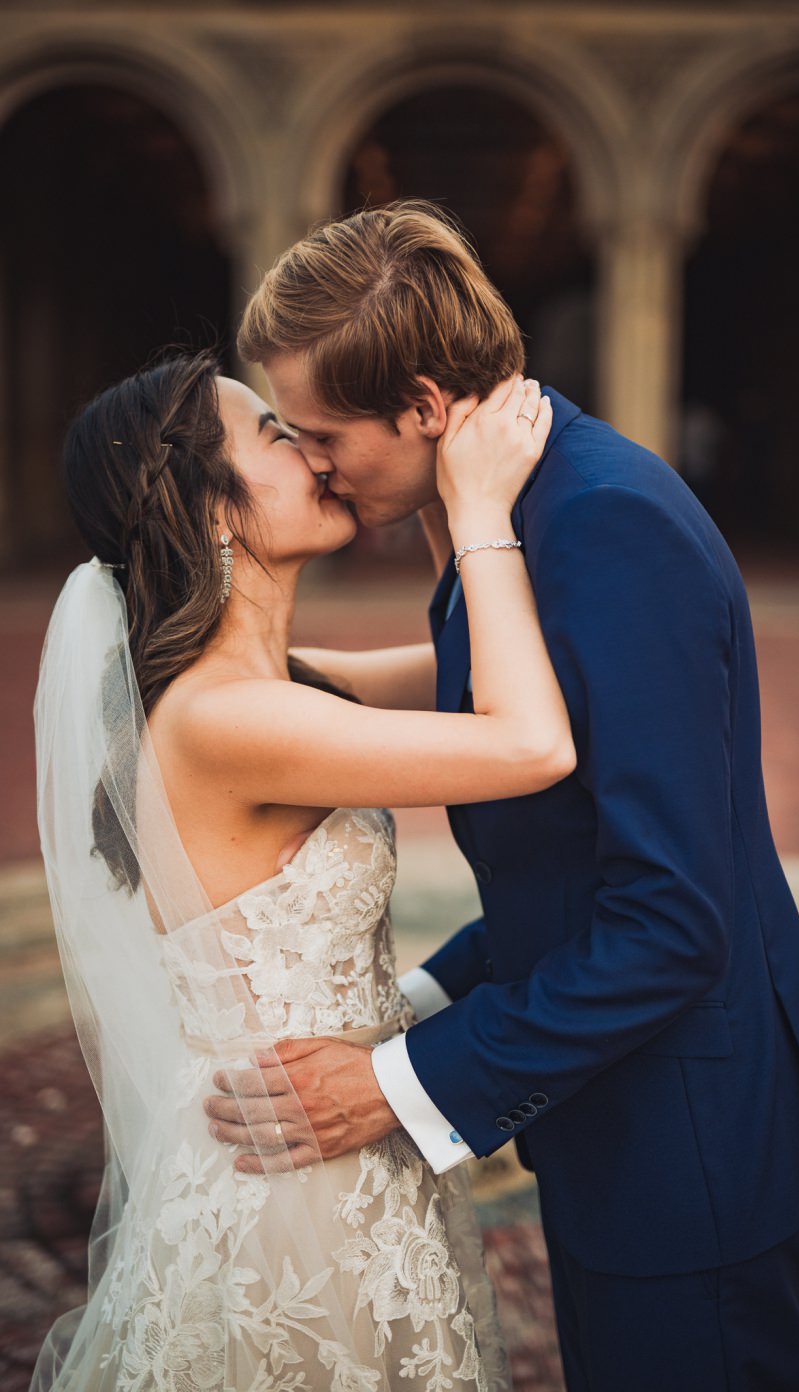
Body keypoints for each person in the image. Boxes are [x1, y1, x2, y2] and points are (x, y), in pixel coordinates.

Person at [218, 202, 799, 1389]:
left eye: (322, 434)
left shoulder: (598, 521)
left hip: (688, 1156)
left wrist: (389, 1086)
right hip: (628, 1123)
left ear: (421, 408)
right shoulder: (516, 508)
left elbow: (671, 920)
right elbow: (565, 851)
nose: (312, 462)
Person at [33, 356, 554, 1389]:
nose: (315, 451)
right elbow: (528, 742)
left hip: (330, 1132)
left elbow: (471, 665)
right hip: (286, 1201)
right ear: (210, 509)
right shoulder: (227, 721)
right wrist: (479, 502)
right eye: (276, 435)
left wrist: (437, 500)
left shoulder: (287, 683)